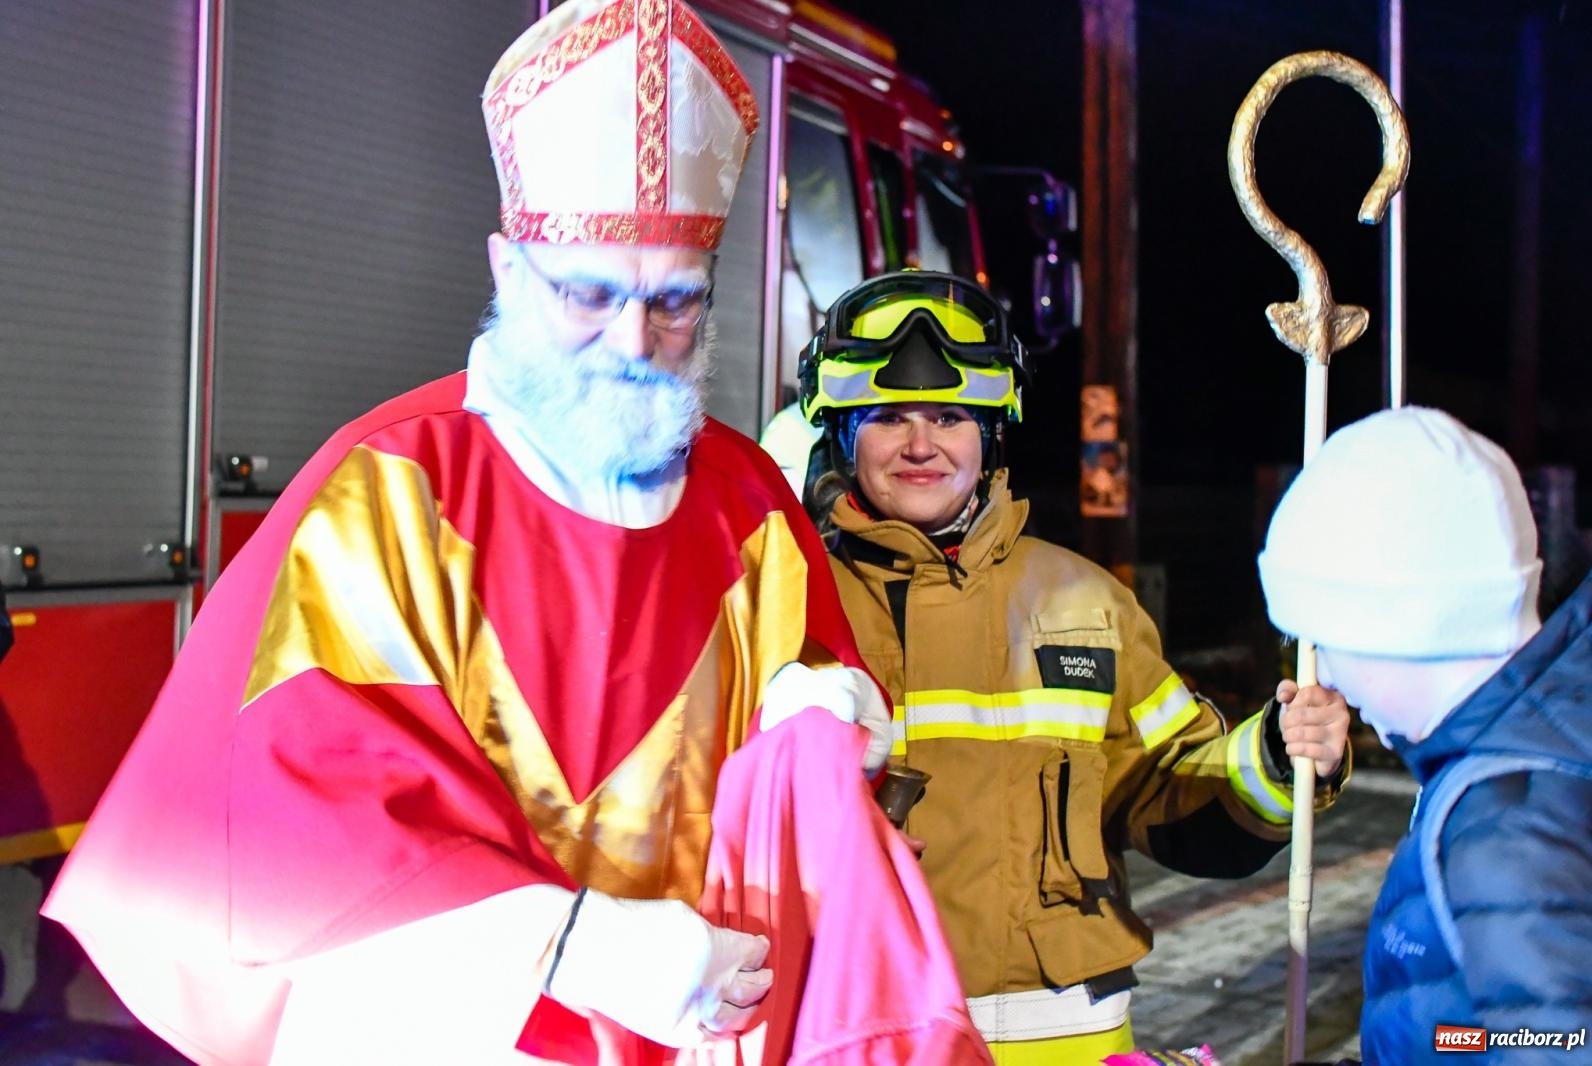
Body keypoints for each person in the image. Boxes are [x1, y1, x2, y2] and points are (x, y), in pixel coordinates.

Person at [38, 4, 949, 1063]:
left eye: (676, 302)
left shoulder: (747, 501)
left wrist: (823, 721)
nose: (634, 340)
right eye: (589, 294)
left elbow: (814, 730)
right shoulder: (391, 486)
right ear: (508, 270)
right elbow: (300, 815)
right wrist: (578, 947)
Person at [796, 269, 1353, 1063]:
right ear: (842, 431)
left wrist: (1277, 755)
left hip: (1065, 1036)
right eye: (889, 418)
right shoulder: (792, 602)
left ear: (992, 432)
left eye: (950, 417)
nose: (921, 445)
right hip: (865, 1026)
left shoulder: (1085, 605)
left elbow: (1167, 786)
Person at [1258, 406, 1592, 1064]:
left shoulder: (1508, 835)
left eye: (1326, 640)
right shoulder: (1539, 752)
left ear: (1404, 624)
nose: (1326, 675)